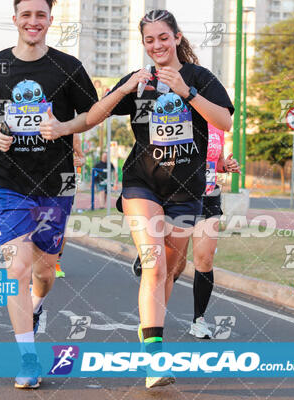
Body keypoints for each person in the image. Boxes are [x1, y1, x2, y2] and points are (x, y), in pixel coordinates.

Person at [86, 9, 233, 389]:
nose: (157, 46)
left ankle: (149, 328)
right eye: (149, 40)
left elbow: (224, 121)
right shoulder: (140, 80)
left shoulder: (200, 78)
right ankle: (155, 358)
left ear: (177, 37)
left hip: (186, 190)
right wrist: (121, 89)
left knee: (169, 269)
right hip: (142, 183)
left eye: (163, 38)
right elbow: (94, 115)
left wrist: (189, 93)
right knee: (153, 264)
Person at [0, 0, 97, 389]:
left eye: (41, 15)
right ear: (15, 19)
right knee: (16, 269)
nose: (33, 22)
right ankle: (28, 359)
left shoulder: (68, 67)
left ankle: (37, 306)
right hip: (8, 182)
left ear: (50, 20)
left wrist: (63, 127)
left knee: (45, 269)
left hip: (58, 182)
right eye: (27, 15)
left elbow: (92, 114)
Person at [130, 125, 240, 339]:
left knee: (205, 258)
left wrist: (224, 166)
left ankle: (199, 319)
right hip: (180, 197)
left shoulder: (218, 122)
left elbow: (214, 162)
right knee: (175, 265)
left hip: (208, 197)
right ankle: (152, 319)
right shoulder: (182, 116)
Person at [54, 134, 85, 279]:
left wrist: (80, 162)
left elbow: (81, 158)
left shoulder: (73, 133)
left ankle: (56, 263)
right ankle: (39, 261)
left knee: (61, 227)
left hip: (66, 182)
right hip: (42, 179)